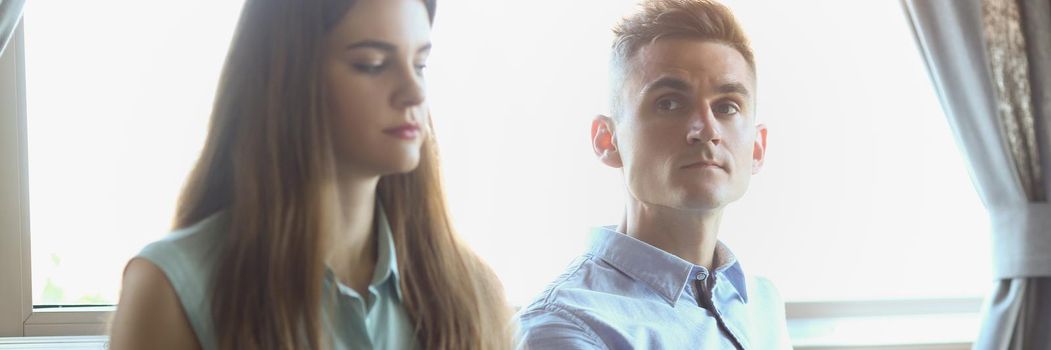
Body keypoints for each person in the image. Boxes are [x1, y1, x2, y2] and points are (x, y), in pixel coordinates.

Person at [108, 0, 513, 348]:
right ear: (287, 79)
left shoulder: (474, 292)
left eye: (420, 64)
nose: (414, 92)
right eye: (371, 64)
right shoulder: (171, 290)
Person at [516, 0, 791, 348]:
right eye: (670, 103)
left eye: (726, 107)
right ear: (607, 140)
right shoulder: (562, 327)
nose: (705, 130)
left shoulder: (762, 303)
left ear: (757, 147)